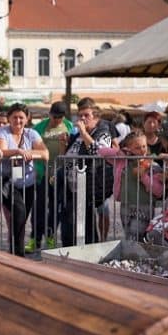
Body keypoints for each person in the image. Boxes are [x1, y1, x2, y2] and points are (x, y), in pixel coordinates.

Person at [0, 103, 47, 255]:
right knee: (19, 212)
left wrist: (29, 153)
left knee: (21, 220)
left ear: (27, 119)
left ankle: (15, 252)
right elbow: (1, 150)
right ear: (9, 118)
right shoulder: (3, 131)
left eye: (21, 117)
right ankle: (18, 253)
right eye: (14, 117)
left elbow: (45, 154)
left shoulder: (32, 134)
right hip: (7, 181)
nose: (18, 120)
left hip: (27, 182)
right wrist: (17, 151)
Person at [58, 98, 114, 247]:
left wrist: (83, 133)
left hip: (89, 187)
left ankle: (89, 253)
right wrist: (63, 144)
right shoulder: (77, 136)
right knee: (69, 224)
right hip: (71, 187)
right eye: (80, 115)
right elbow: (65, 157)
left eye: (86, 115)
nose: (82, 118)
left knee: (85, 226)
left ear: (96, 117)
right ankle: (70, 252)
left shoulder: (102, 133)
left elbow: (99, 154)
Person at [32, 101, 75, 248]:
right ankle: (35, 238)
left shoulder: (69, 126)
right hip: (42, 172)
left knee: (55, 208)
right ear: (49, 114)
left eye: (60, 117)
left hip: (59, 174)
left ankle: (50, 236)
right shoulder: (39, 127)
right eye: (54, 116)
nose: (57, 120)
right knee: (39, 207)